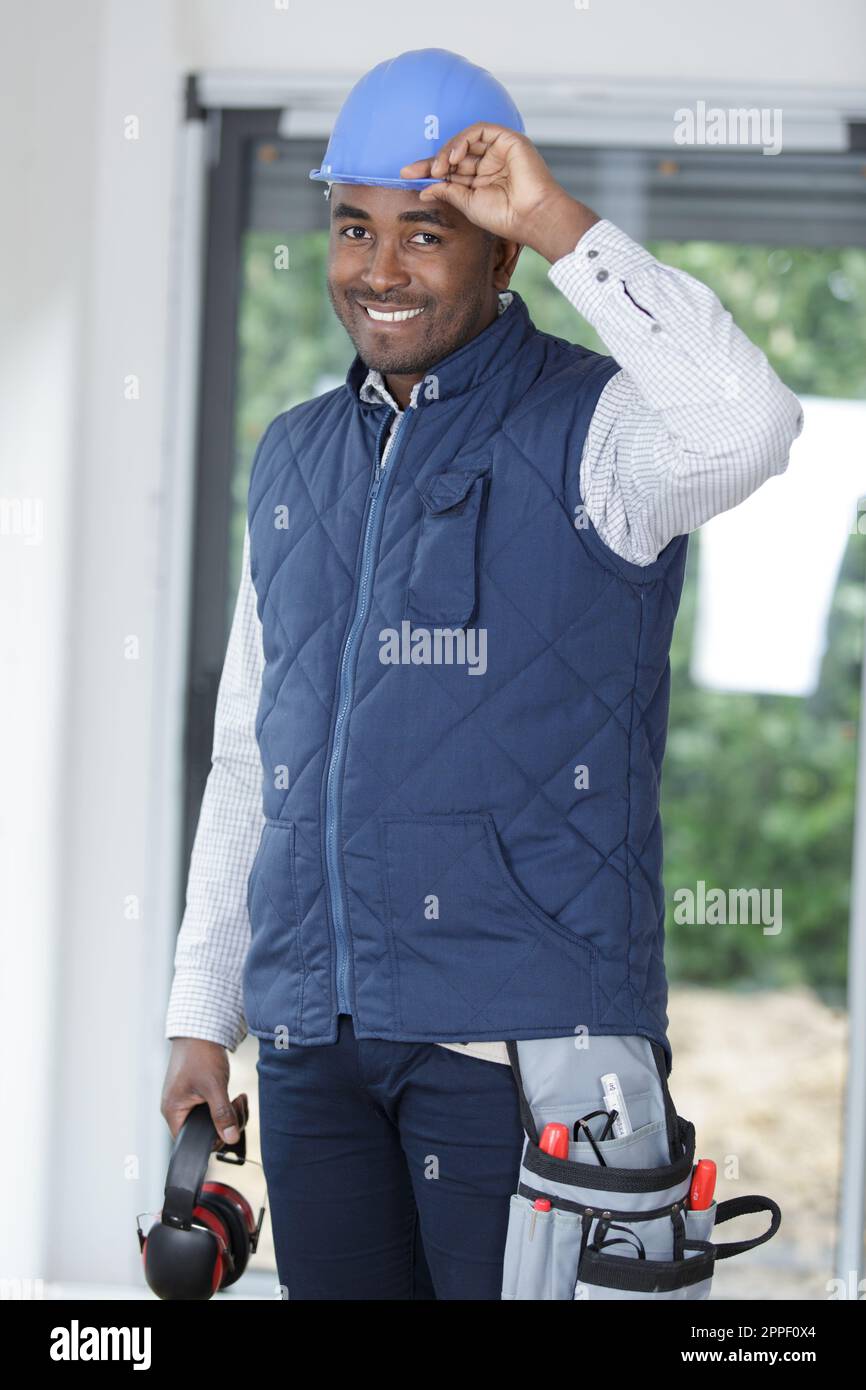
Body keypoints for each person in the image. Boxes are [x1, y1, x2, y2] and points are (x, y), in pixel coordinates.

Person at [161, 48, 803, 1300]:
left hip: (518, 1048)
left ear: (500, 253)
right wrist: (202, 1014)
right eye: (355, 229)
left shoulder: (601, 434)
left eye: (428, 233)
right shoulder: (292, 460)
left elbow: (748, 423)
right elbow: (252, 753)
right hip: (313, 1046)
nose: (378, 270)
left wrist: (559, 219)